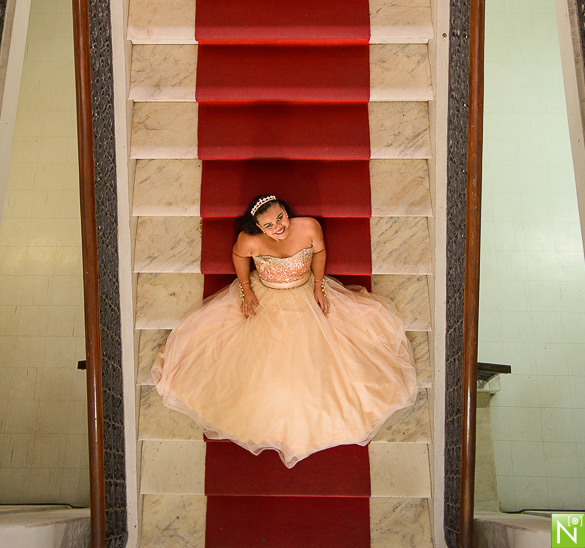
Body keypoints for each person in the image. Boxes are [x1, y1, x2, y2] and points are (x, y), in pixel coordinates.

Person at [152, 194, 417, 468]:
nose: (278, 227)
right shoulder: (248, 240)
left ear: (286, 212)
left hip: (305, 292)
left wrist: (318, 286)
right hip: (266, 296)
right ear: (258, 226)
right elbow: (238, 255)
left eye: (280, 218)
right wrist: (245, 288)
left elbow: (319, 252)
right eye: (268, 225)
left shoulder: (309, 227)